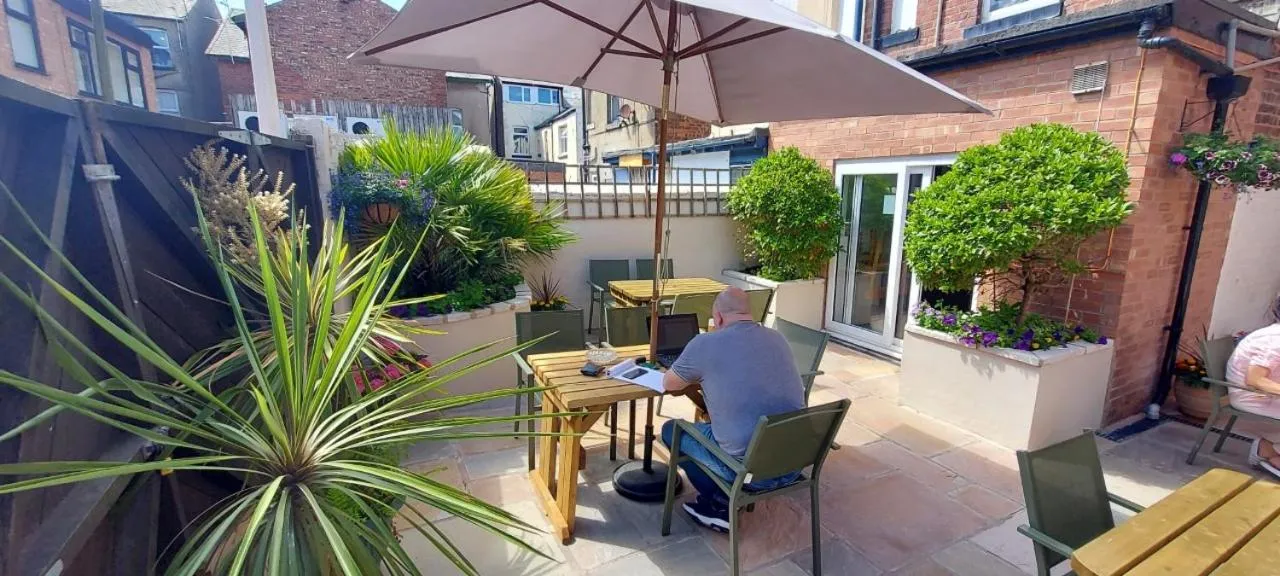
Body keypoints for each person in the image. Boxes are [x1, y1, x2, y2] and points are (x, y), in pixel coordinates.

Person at [659, 286, 806, 532]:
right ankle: (722, 497)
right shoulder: (777, 338)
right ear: (748, 312)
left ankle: (719, 503)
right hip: (793, 462)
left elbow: (669, 383)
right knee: (720, 426)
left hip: (750, 473)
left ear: (717, 318)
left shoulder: (705, 343)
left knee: (671, 430)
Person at [1226, 322, 1280, 477]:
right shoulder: (1275, 339)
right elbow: (1255, 380)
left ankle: (1267, 448)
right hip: (1252, 396)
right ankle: (1268, 454)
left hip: (1269, 394)